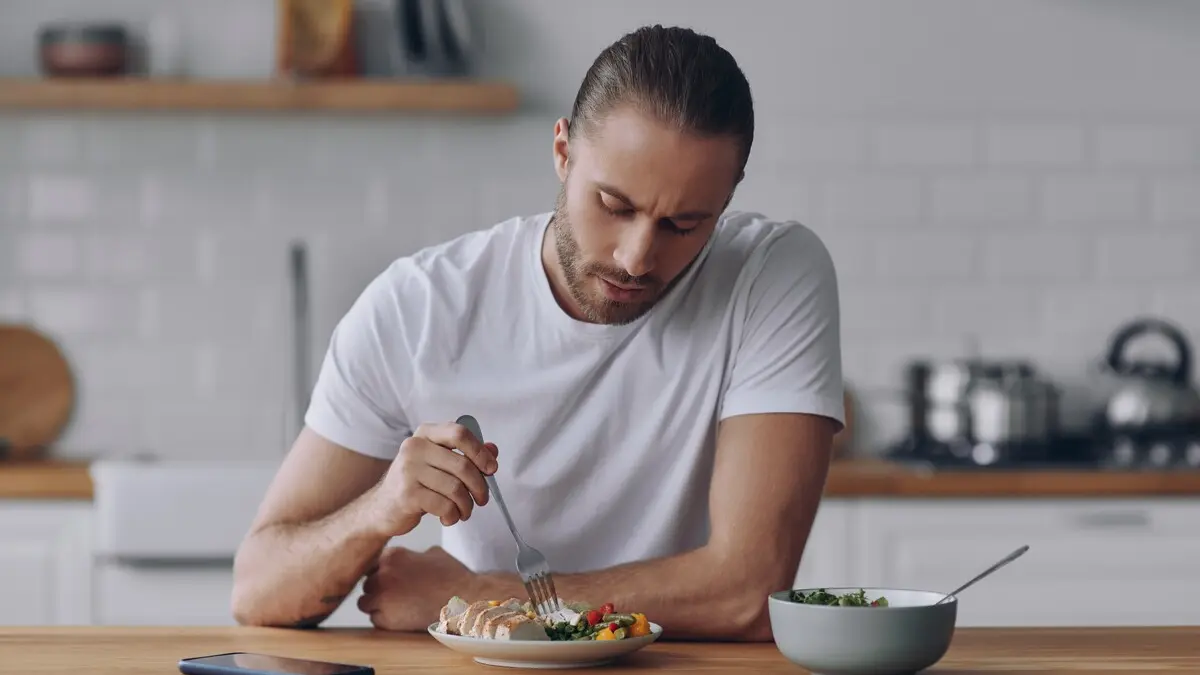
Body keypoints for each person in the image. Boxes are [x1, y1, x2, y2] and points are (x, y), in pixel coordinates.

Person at [231, 24, 843, 642]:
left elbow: (749, 592)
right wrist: (380, 509)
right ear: (562, 152)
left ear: (727, 200)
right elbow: (259, 592)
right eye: (615, 205)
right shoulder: (417, 307)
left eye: (684, 224)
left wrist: (487, 598)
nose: (637, 258)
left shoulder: (772, 273)